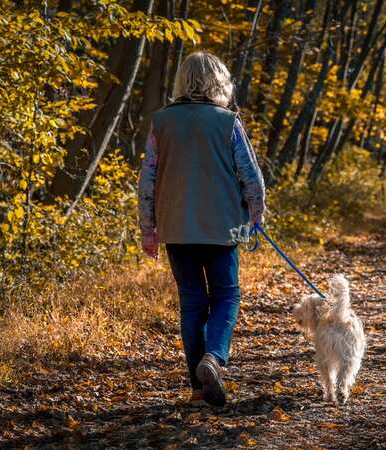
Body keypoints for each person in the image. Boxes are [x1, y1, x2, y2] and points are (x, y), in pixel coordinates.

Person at [137, 51, 265, 407]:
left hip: (176, 227)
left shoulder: (161, 122)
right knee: (227, 294)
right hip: (224, 227)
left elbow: (147, 181)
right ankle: (213, 358)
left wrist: (148, 229)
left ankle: (197, 389)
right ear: (219, 83)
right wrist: (257, 215)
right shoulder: (228, 122)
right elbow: (251, 176)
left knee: (192, 301)